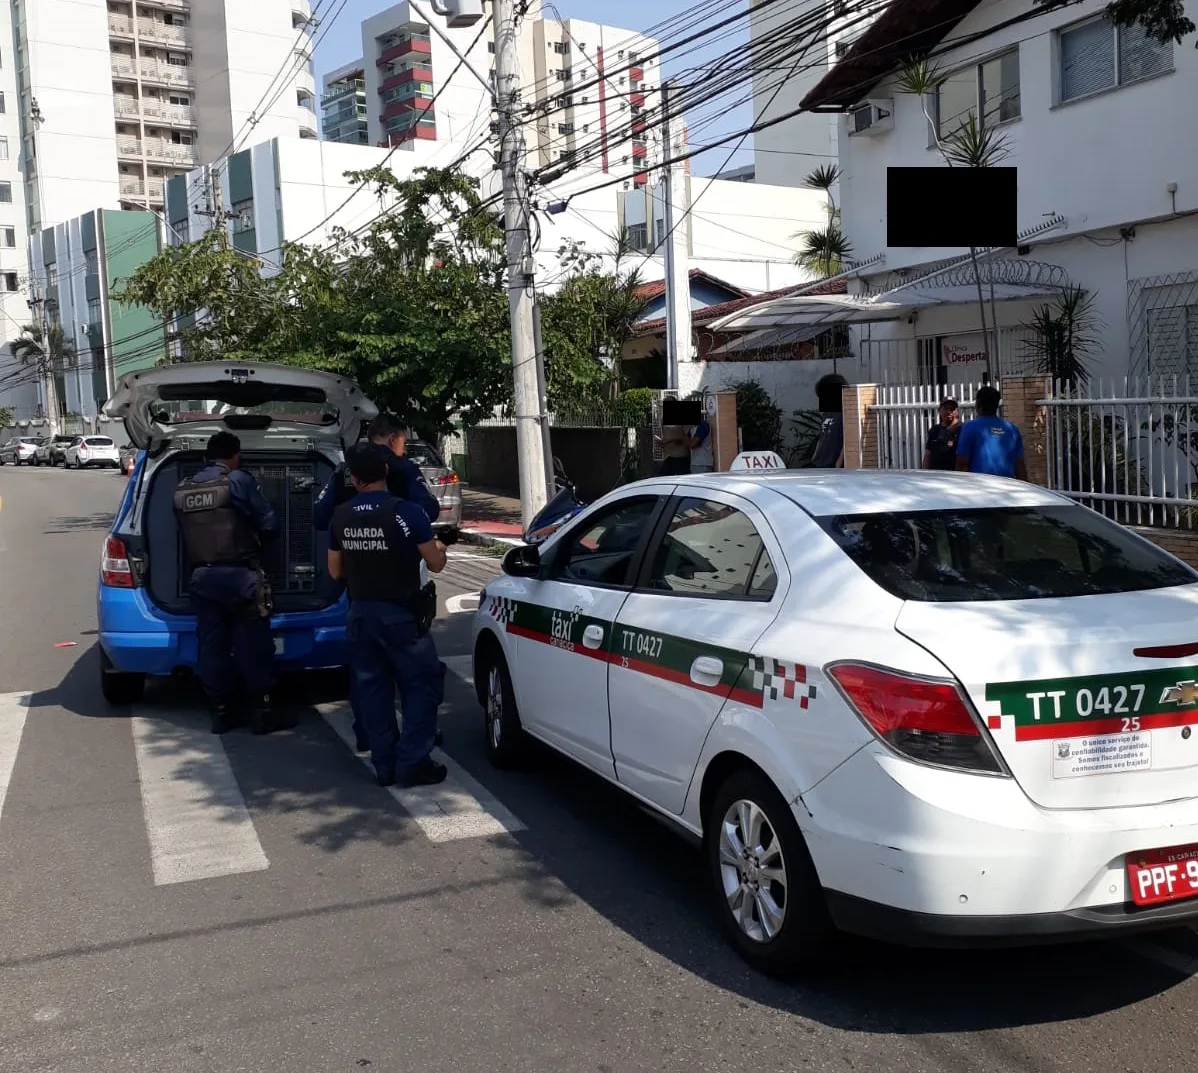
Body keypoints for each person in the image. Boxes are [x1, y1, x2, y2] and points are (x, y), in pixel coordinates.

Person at [314, 413, 445, 752]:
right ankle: (417, 743)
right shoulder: (400, 468)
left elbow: (319, 517)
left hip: (356, 581)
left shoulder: (346, 470)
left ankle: (369, 736)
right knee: (416, 672)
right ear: (393, 440)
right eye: (402, 440)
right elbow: (429, 510)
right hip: (401, 581)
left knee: (367, 672)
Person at [173, 431, 289, 735]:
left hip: (202, 579)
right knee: (253, 645)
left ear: (205, 457)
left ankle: (220, 714)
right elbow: (270, 523)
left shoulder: (183, 490)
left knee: (212, 647)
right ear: (235, 456)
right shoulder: (237, 480)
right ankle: (263, 713)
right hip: (240, 578)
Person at [956, 385, 1029, 480]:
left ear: (978, 404)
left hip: (978, 487)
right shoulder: (1012, 429)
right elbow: (1020, 465)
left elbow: (962, 464)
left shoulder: (969, 427)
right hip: (1007, 487)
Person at [810, 373, 846, 468]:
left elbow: (847, 441)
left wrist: (839, 463)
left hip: (833, 465)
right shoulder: (827, 412)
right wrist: (814, 458)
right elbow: (822, 436)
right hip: (819, 463)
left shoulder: (846, 412)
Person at [922, 397, 961, 470]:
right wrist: (925, 473)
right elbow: (928, 454)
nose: (949, 412)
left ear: (957, 411)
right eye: (946, 408)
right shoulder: (934, 430)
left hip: (955, 476)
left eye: (952, 409)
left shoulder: (963, 429)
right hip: (936, 476)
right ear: (939, 410)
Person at [686, 408, 714, 473]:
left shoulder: (703, 425)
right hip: (696, 464)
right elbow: (686, 443)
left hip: (703, 464)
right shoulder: (692, 428)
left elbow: (693, 444)